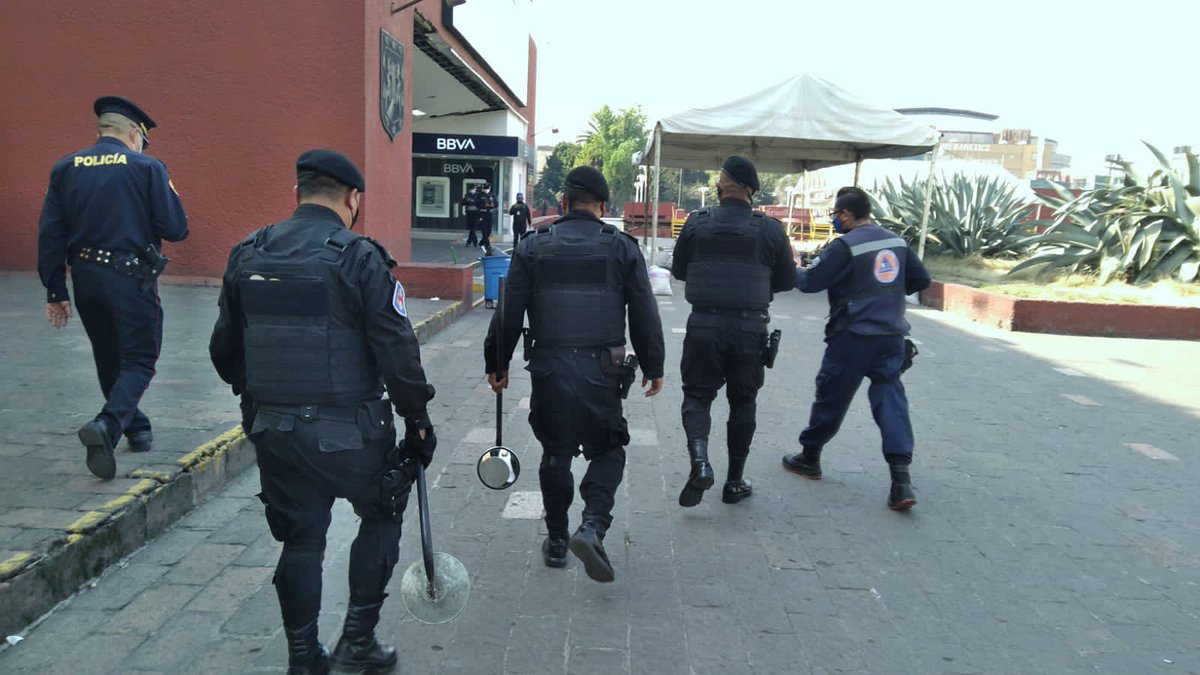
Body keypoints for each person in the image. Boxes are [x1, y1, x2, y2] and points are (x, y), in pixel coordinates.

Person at [209, 149, 437, 674]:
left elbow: (224, 352)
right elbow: (396, 349)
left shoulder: (248, 252)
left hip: (276, 429)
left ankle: (302, 657)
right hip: (349, 430)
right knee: (381, 512)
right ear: (352, 198)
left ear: (298, 192)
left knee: (301, 538)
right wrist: (417, 420)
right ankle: (356, 642)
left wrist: (262, 395)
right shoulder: (359, 257)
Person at [484, 166, 665, 583]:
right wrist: (653, 366)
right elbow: (643, 310)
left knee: (556, 452)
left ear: (563, 203)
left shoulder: (534, 246)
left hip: (549, 369)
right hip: (602, 371)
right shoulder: (620, 247)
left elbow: (509, 311)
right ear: (603, 207)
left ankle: (558, 540)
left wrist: (497, 363)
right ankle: (593, 526)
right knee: (608, 450)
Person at [37, 95, 188, 480]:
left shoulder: (66, 167)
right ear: (135, 133)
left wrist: (55, 290)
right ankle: (107, 426)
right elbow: (176, 228)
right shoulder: (147, 167)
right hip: (130, 277)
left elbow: (51, 233)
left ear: (102, 129)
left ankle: (135, 426)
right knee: (139, 359)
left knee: (108, 356)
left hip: (85, 275)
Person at [782, 186, 931, 511]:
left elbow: (810, 283)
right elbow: (921, 280)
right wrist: (885, 292)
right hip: (891, 335)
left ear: (847, 214)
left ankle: (809, 457)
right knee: (890, 398)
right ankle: (901, 479)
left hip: (853, 337)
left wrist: (791, 267)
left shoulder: (844, 246)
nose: (835, 220)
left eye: (836, 214)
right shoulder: (896, 241)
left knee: (831, 396)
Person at [670, 156, 796, 507]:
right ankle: (735, 481)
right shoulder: (769, 229)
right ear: (752, 191)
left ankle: (700, 462)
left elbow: (679, 271)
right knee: (743, 403)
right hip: (749, 329)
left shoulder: (696, 223)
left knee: (697, 396)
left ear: (722, 186)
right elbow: (788, 281)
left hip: (703, 325)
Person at [478, 183, 498, 252]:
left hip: (490, 213)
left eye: (488, 188)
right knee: (484, 229)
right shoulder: (480, 195)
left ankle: (482, 241)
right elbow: (477, 204)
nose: (486, 190)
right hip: (482, 213)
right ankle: (487, 244)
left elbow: (496, 204)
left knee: (489, 230)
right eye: (485, 188)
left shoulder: (492, 195)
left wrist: (493, 205)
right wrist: (484, 205)